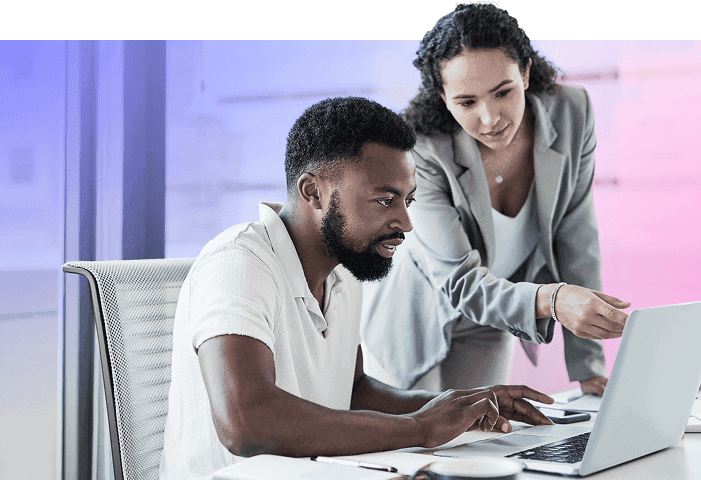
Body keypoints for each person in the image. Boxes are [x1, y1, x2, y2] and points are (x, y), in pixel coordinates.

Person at [159, 96, 556, 480]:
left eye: (408, 201)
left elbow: (353, 391)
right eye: (385, 201)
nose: (405, 222)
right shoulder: (239, 263)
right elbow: (246, 423)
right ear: (313, 192)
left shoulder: (344, 269)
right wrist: (420, 428)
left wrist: (460, 407)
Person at [361, 4, 631, 397]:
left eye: (503, 92)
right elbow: (460, 281)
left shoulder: (572, 112)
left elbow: (577, 239)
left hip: (496, 312)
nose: (490, 119)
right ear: (442, 95)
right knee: (421, 446)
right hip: (413, 317)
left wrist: (588, 367)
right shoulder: (420, 149)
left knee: (478, 435)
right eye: (466, 103)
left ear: (524, 70)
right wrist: (553, 300)